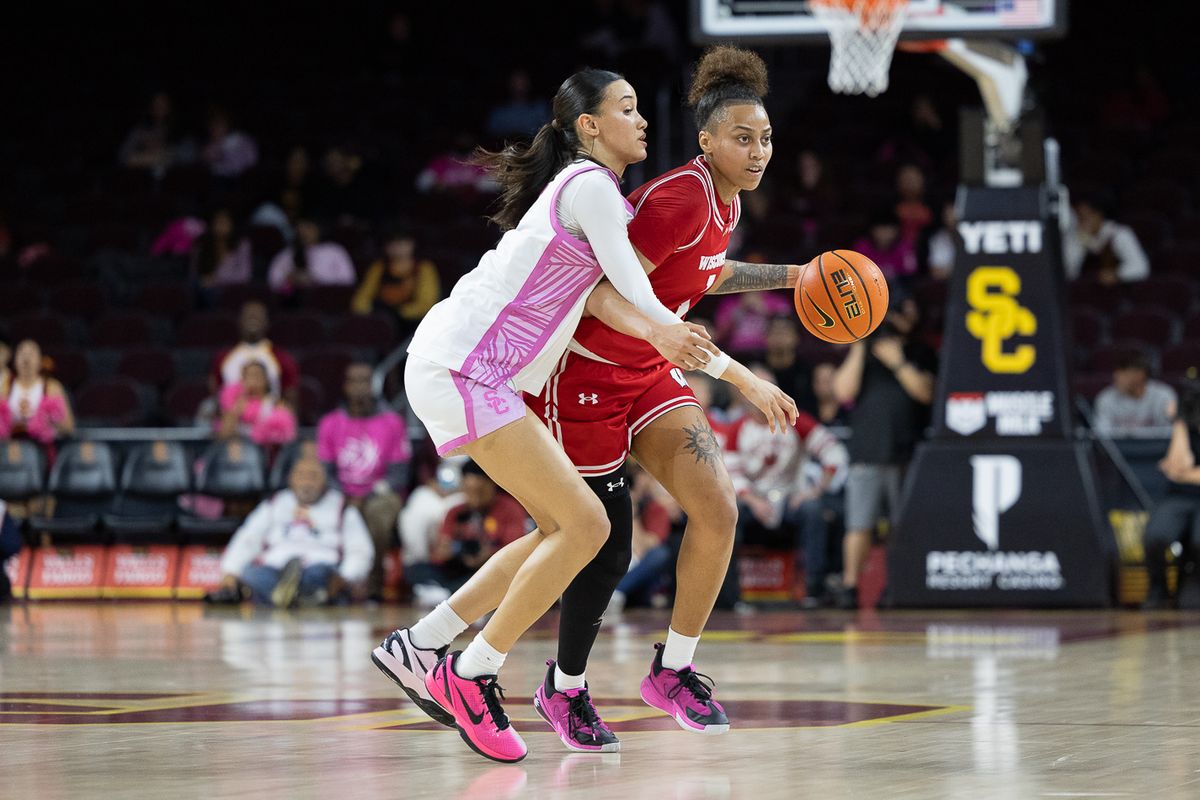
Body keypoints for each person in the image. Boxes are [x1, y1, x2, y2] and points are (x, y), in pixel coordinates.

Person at [379, 46, 800, 755]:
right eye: (627, 109)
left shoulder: (619, 191)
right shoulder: (605, 190)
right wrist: (732, 370)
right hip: (490, 369)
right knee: (586, 535)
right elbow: (631, 294)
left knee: (577, 531)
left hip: (483, 367)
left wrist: (787, 278)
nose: (641, 120)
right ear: (587, 126)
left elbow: (667, 289)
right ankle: (481, 671)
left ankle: (429, 649)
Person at [833, 291, 936, 609]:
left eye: (904, 311)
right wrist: (860, 345)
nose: (897, 319)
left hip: (907, 451)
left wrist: (899, 362)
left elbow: (925, 393)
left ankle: (898, 586)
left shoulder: (922, 351)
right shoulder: (866, 350)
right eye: (893, 313)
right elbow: (842, 392)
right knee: (858, 523)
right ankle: (850, 587)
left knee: (900, 525)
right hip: (867, 449)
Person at [723, 366, 848, 608]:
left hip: (791, 499)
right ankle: (731, 597)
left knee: (813, 511)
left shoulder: (795, 420)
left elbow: (835, 453)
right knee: (727, 517)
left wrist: (815, 490)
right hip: (753, 500)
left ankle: (814, 590)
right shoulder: (737, 428)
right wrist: (752, 500)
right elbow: (731, 473)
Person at [212, 456, 373, 607]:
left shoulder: (342, 507)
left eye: (313, 476)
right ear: (291, 479)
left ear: (325, 480)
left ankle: (288, 597)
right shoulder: (275, 503)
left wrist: (346, 577)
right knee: (252, 575)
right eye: (301, 475)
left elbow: (360, 549)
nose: (307, 482)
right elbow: (248, 538)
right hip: (275, 568)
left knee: (319, 574)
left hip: (319, 566)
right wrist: (230, 571)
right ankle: (301, 598)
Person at [317, 363, 410, 599]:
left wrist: (365, 496)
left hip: (380, 493)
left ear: (374, 385)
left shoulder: (392, 422)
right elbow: (325, 471)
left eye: (365, 381)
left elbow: (398, 473)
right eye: (354, 381)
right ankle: (328, 582)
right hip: (339, 492)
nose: (360, 387)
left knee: (378, 512)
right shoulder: (330, 423)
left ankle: (373, 582)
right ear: (345, 386)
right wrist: (345, 495)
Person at [405, 460, 530, 596]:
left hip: (493, 570)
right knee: (414, 570)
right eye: (469, 491)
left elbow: (516, 551)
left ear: (493, 485)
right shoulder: (455, 512)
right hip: (459, 569)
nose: (475, 499)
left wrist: (487, 555)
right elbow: (440, 552)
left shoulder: (510, 509)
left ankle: (452, 594)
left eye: (480, 491)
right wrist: (449, 551)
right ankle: (455, 593)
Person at [1142, 381, 1200, 609]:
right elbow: (1177, 465)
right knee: (1155, 536)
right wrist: (1179, 422)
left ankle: (1191, 584)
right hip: (1179, 496)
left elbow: (1176, 471)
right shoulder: (1186, 425)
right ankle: (1159, 587)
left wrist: (1182, 473)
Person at [350, 229, 441, 338]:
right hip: (381, 323)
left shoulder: (424, 268)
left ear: (411, 244)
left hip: (412, 325)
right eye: (392, 243)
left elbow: (427, 304)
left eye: (401, 243)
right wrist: (375, 312)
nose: (397, 247)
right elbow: (361, 299)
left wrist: (398, 312)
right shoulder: (379, 268)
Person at [210, 301, 301, 409]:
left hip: (269, 420)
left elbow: (290, 396)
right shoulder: (223, 357)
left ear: (267, 321)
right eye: (248, 315)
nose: (253, 318)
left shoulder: (282, 357)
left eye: (258, 315)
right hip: (233, 420)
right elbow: (216, 392)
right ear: (239, 321)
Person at [0, 340, 75, 459]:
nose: (26, 358)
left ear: (40, 361)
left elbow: (69, 428)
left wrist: (52, 420)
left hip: (41, 450)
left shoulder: (51, 387)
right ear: (15, 360)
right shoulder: (4, 386)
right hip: (8, 449)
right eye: (22, 353)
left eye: (31, 354)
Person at [1064, 191, 1150, 285]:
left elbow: (1140, 267)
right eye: (1079, 218)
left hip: (1119, 292)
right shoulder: (1079, 237)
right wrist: (1077, 241)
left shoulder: (1120, 234)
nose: (1081, 222)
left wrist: (1117, 274)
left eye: (1085, 217)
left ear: (1098, 215)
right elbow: (1069, 273)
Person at [1094, 350, 1177, 438]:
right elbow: (1102, 435)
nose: (1116, 377)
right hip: (1118, 450)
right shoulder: (1105, 398)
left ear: (1140, 374)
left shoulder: (1164, 395)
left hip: (1157, 450)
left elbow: (1170, 431)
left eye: (1123, 372)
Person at [215, 361, 298, 447]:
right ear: (242, 380)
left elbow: (288, 436)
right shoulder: (234, 403)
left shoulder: (276, 404)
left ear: (266, 379)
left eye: (257, 375)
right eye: (249, 375)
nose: (253, 379)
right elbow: (223, 435)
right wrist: (239, 403)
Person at [267, 219, 356, 295]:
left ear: (318, 228)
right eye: (300, 228)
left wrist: (315, 279)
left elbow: (348, 281)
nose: (304, 232)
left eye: (308, 227)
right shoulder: (286, 255)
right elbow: (273, 285)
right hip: (294, 305)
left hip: (328, 304)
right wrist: (290, 280)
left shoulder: (334, 251)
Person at [192, 207, 253, 290]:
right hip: (206, 292)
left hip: (232, 291)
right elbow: (194, 275)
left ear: (232, 224)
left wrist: (217, 280)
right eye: (218, 222)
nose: (221, 226)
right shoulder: (203, 245)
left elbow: (245, 276)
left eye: (224, 222)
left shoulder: (242, 244)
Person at [853, 207, 917, 282]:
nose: (884, 234)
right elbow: (855, 272)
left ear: (897, 230)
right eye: (881, 229)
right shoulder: (862, 247)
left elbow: (910, 274)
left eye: (888, 230)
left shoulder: (905, 249)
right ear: (872, 230)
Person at [201, 106, 258, 178]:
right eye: (212, 127)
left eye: (219, 125)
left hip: (242, 177)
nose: (215, 129)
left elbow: (252, 159)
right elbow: (206, 161)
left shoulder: (239, 139)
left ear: (227, 125)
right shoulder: (211, 144)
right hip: (219, 178)